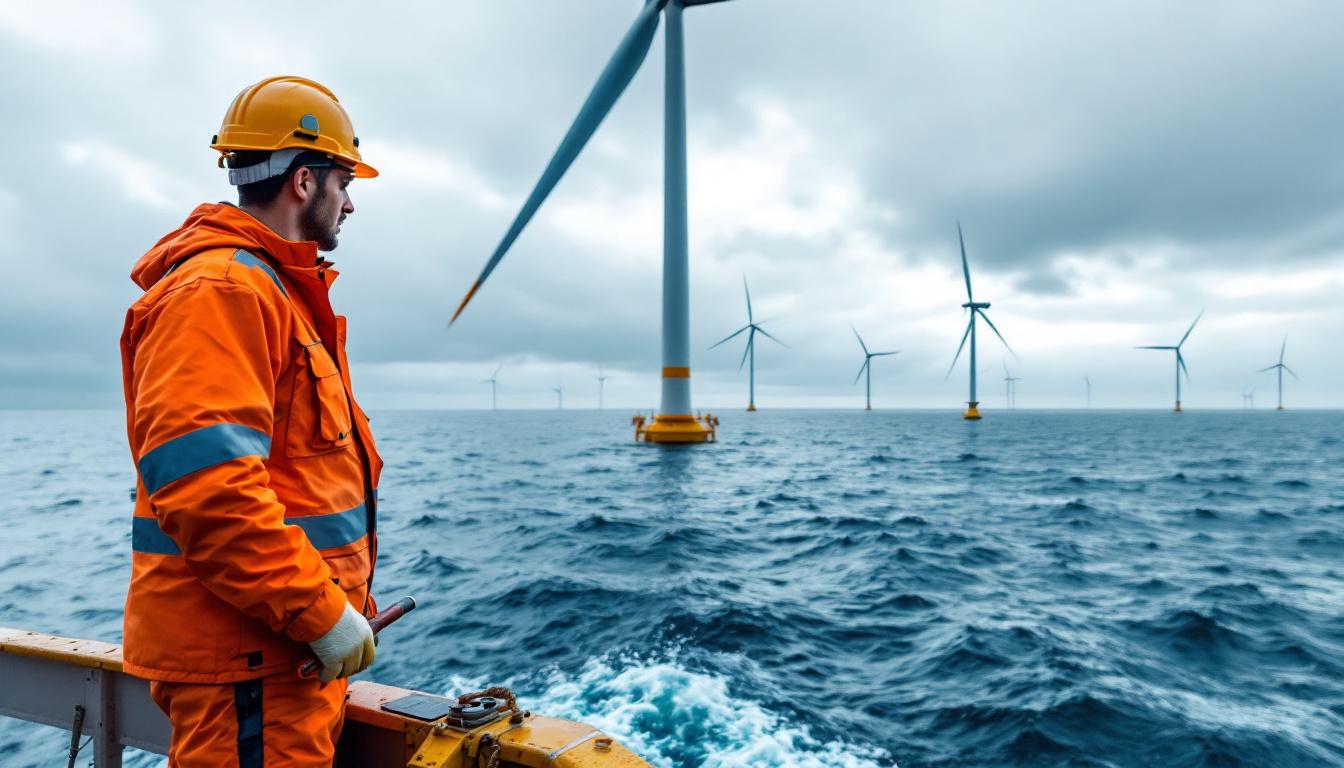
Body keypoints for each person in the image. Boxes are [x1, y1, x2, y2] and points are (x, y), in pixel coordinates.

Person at [120, 76, 384, 767]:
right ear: (303, 181)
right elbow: (209, 491)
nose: (349, 201)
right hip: (250, 667)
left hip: (278, 660)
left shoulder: (267, 291)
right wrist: (321, 614)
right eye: (343, 181)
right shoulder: (224, 292)